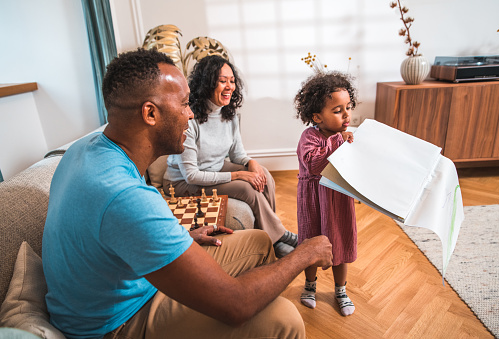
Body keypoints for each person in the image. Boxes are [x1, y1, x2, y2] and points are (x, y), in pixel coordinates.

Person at [41, 48, 333, 339]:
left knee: (257, 241)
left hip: (128, 280)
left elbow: (112, 235)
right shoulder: (127, 198)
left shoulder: (84, 148)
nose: (190, 113)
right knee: (285, 319)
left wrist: (182, 238)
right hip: (115, 322)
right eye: (183, 104)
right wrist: (305, 254)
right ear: (150, 113)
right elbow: (236, 305)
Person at [162, 55, 297, 258]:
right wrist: (238, 176)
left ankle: (273, 236)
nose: (229, 86)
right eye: (222, 81)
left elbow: (237, 154)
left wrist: (252, 164)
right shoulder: (190, 120)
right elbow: (191, 175)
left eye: (232, 81)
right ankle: (278, 237)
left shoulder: (229, 114)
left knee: (265, 177)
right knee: (246, 187)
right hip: (181, 182)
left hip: (214, 168)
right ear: (207, 83)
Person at [294, 70, 358, 316]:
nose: (346, 114)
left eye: (348, 107)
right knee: (311, 241)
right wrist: (338, 141)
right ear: (317, 117)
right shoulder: (309, 137)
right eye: (337, 110)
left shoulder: (348, 138)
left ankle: (340, 290)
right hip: (312, 198)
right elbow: (314, 164)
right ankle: (309, 286)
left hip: (338, 198)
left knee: (339, 241)